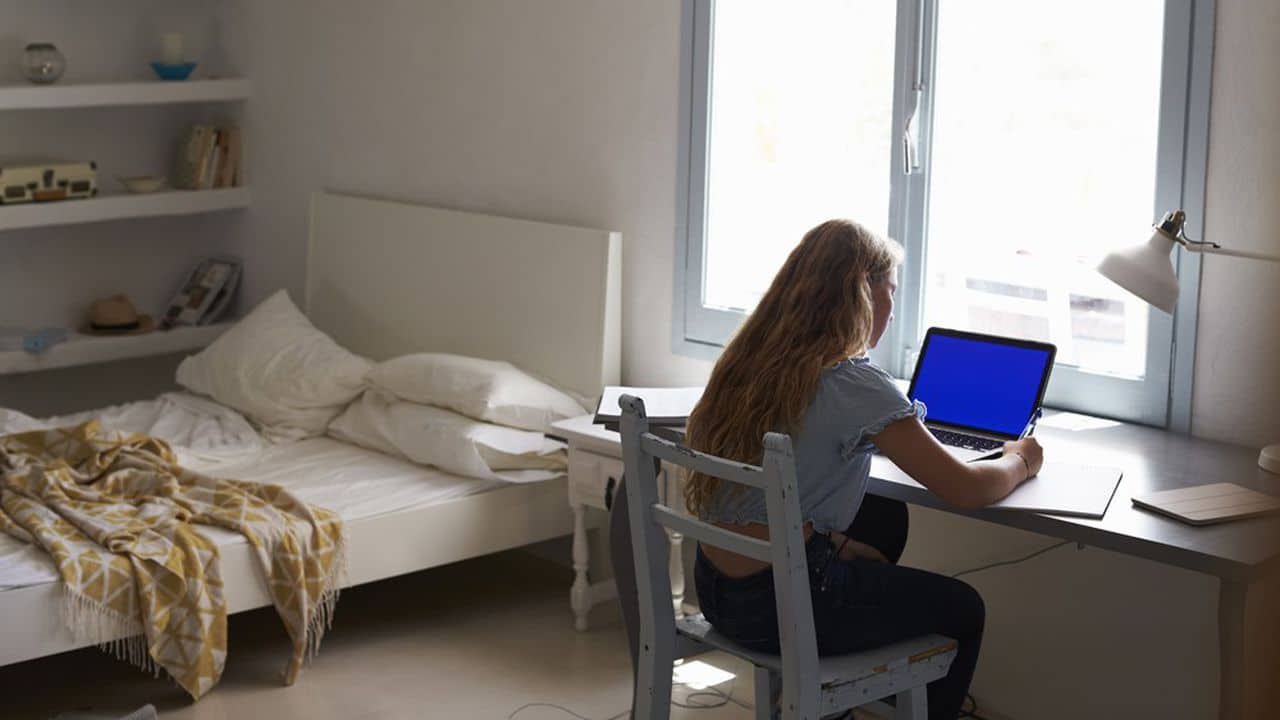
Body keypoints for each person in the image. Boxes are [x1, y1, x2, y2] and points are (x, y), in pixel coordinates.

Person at [685, 219, 1043, 719]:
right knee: (964, 608)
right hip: (778, 610)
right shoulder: (853, 382)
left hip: (715, 591)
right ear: (862, 292)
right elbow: (965, 489)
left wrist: (834, 542)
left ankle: (826, 705)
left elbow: (763, 497)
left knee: (884, 518)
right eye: (890, 290)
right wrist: (1021, 460)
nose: (892, 308)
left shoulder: (748, 365)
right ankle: (838, 700)